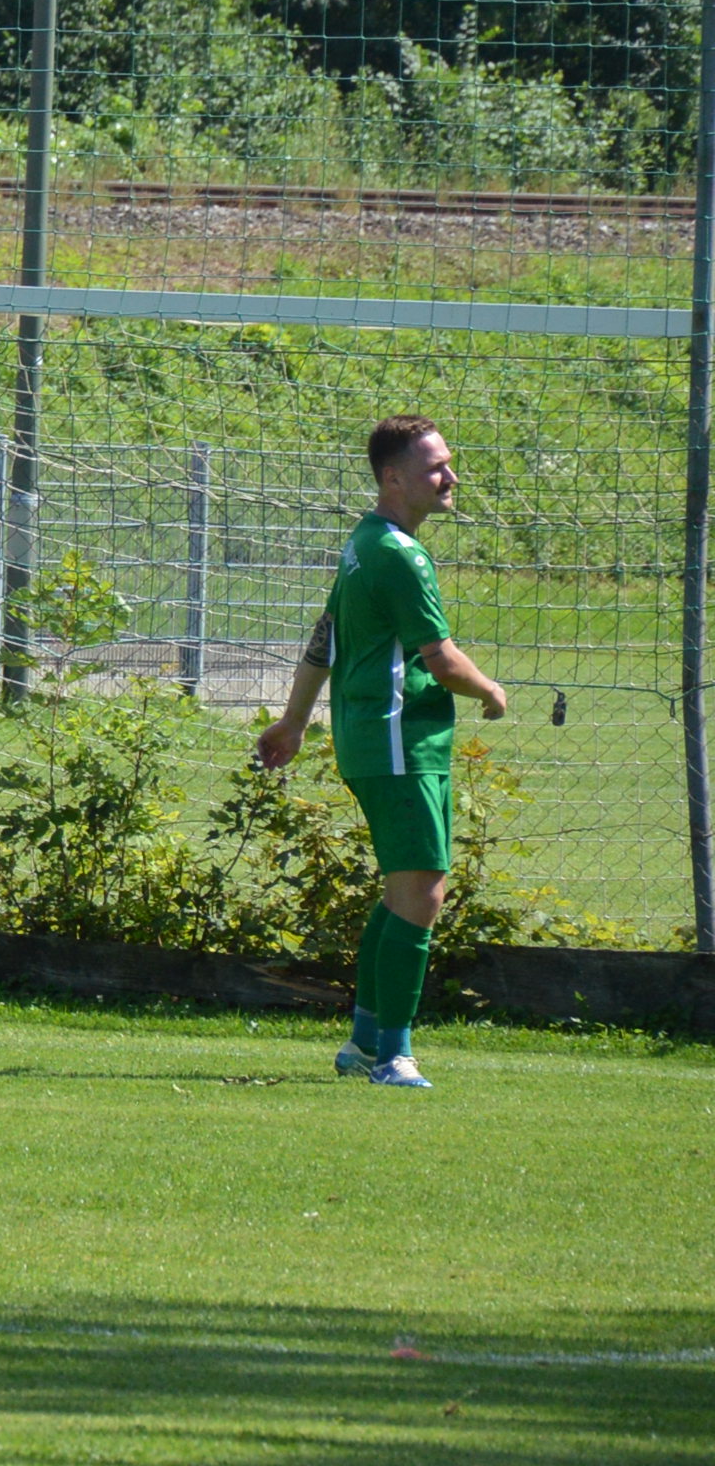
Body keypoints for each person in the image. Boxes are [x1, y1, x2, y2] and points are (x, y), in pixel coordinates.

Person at [252, 414, 507, 1089]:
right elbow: (441, 659)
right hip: (399, 740)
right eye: (435, 468)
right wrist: (490, 690)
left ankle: (365, 1044)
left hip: (381, 739)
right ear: (393, 478)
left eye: (448, 463)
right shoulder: (399, 554)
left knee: (402, 893)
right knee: (424, 893)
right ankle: (394, 1055)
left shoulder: (365, 542)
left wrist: (294, 722)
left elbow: (325, 636)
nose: (450, 477)